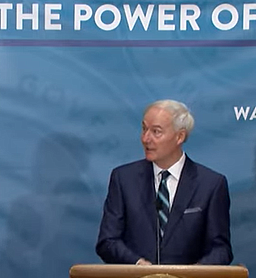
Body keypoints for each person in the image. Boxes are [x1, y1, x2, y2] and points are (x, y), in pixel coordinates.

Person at [96, 99, 233, 265]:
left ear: (179, 136)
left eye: (156, 132)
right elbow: (108, 242)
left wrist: (193, 275)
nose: (146, 139)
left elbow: (221, 250)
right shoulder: (123, 179)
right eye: (144, 129)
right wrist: (137, 264)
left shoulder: (210, 184)